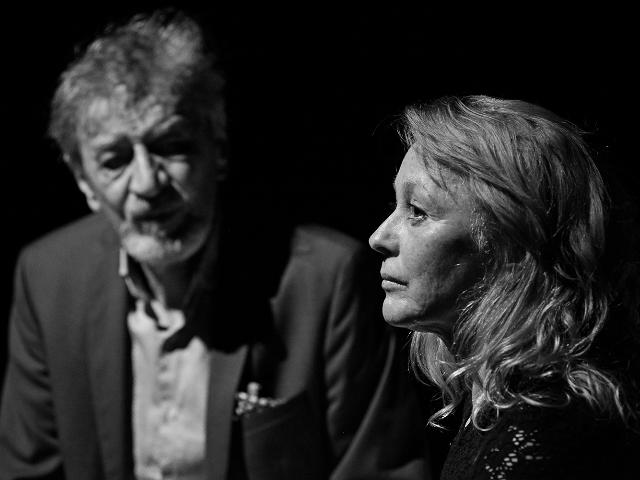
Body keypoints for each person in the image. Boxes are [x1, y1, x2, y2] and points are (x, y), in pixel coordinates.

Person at [0, 10, 430, 480]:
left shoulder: (325, 279)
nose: (147, 183)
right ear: (83, 179)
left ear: (218, 147)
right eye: (114, 160)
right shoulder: (47, 278)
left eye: (172, 146)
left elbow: (380, 471)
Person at [369, 95, 640, 479]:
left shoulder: (538, 444)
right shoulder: (497, 399)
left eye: (417, 211)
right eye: (396, 205)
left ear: (510, 243)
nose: (378, 237)